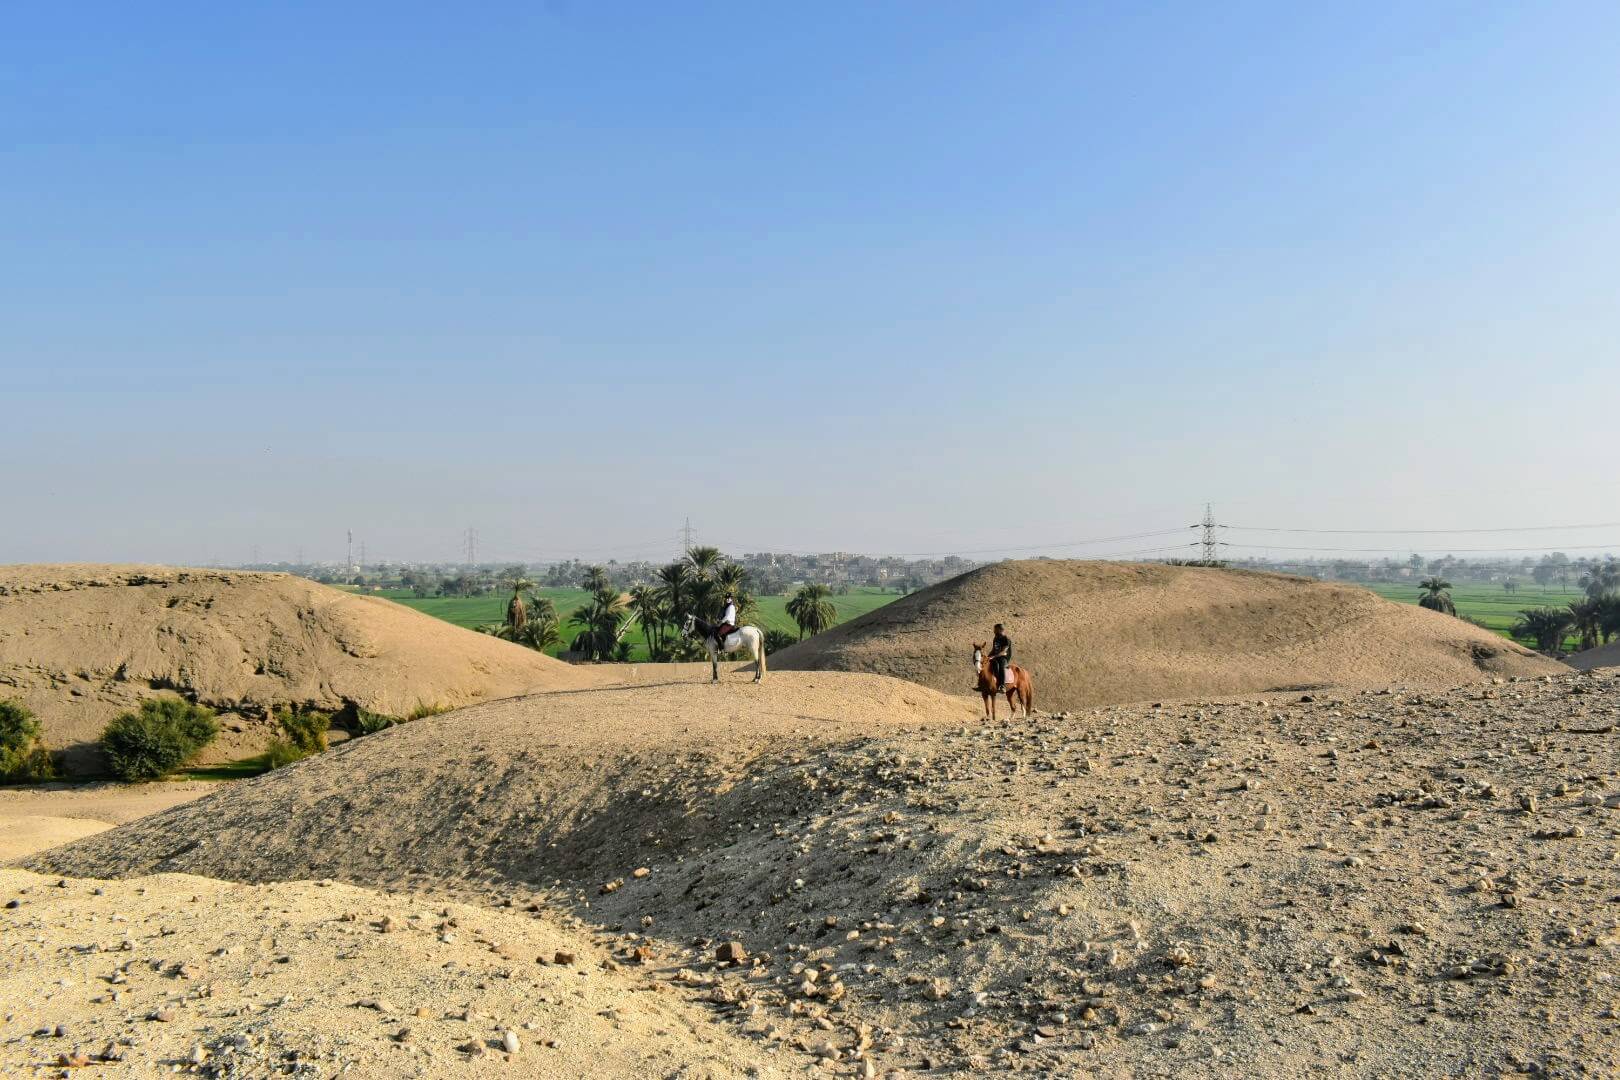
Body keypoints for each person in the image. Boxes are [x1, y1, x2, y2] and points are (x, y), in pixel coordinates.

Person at [988, 623, 1012, 690]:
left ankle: (1002, 685)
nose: (994, 631)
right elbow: (993, 649)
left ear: (1001, 630)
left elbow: (1003, 651)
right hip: (995, 656)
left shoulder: (1006, 639)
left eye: (995, 629)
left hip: (1004, 657)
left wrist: (993, 656)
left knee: (1001, 666)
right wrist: (987, 657)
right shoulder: (996, 638)